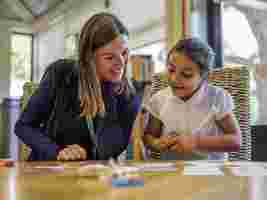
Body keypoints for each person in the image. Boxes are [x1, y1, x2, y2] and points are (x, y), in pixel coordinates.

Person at [15, 12, 141, 161]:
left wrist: (107, 94)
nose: (121, 63)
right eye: (109, 57)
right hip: (49, 170)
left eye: (124, 53)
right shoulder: (61, 73)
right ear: (89, 58)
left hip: (92, 176)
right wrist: (57, 151)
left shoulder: (128, 95)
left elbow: (113, 149)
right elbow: (24, 126)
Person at [142, 37, 241, 160]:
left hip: (211, 172)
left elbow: (235, 141)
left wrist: (196, 142)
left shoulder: (217, 97)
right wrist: (157, 143)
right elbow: (149, 136)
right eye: (171, 70)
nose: (174, 79)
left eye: (186, 74)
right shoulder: (159, 100)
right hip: (172, 172)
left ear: (204, 76)